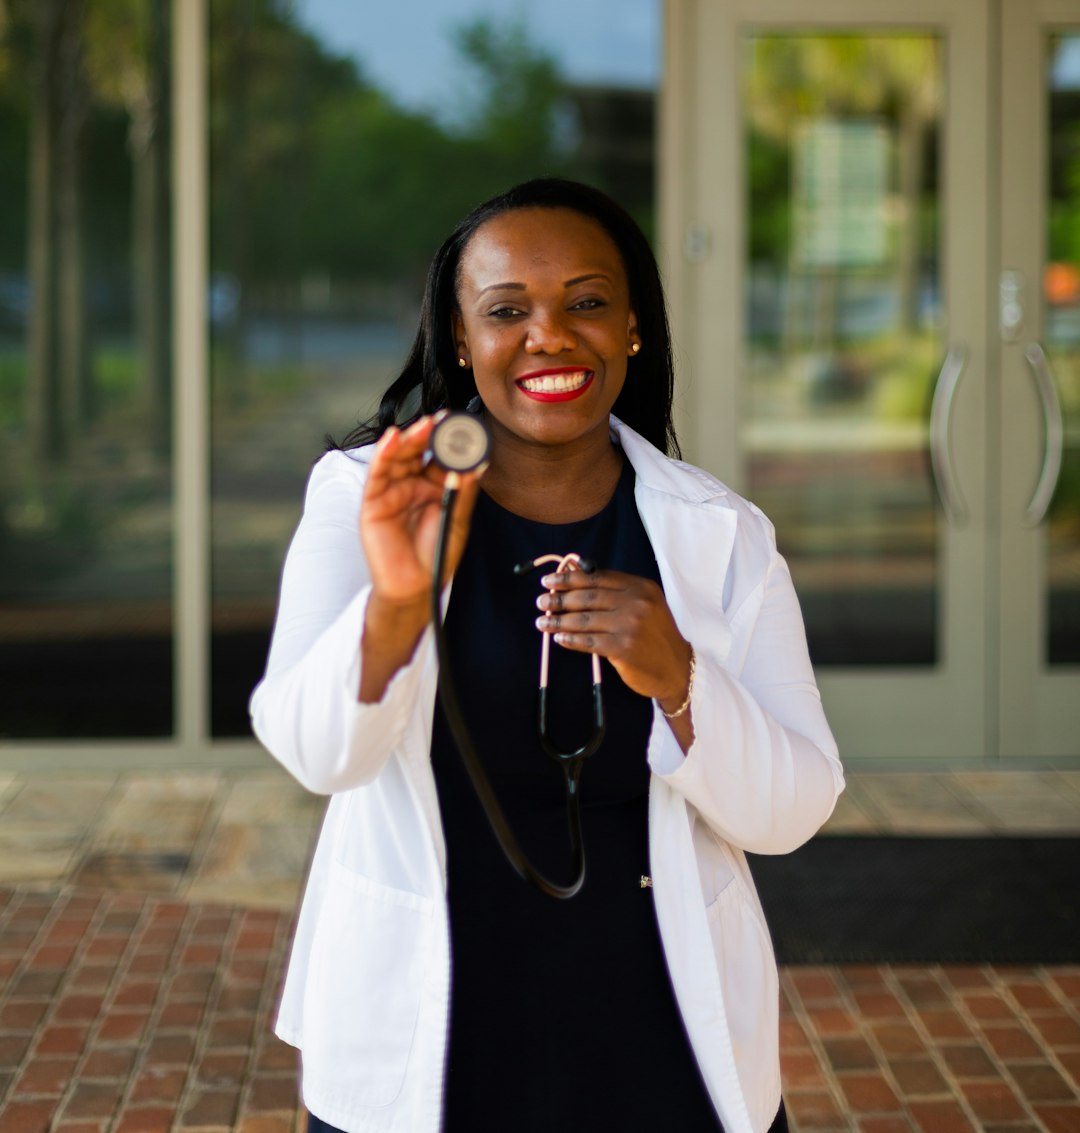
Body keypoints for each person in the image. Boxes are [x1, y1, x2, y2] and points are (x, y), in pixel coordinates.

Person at [250, 177, 844, 1133]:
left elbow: (794, 809)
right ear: (459, 338)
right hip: (429, 1032)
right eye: (506, 310)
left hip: (664, 1036)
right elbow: (318, 753)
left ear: (634, 327)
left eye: (587, 302)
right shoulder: (364, 496)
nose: (550, 336)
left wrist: (680, 679)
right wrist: (398, 602)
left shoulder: (721, 533)